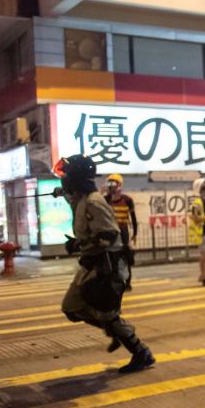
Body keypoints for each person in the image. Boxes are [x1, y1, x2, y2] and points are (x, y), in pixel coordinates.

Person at [55, 154, 154, 373]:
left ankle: (141, 353)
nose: (65, 180)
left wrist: (78, 245)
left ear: (77, 178)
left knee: (109, 315)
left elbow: (108, 235)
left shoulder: (94, 202)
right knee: (71, 308)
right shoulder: (81, 199)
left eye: (67, 176)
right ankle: (115, 331)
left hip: (107, 266)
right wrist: (63, 194)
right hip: (90, 264)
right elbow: (76, 206)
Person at [103, 174, 138, 248]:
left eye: (113, 183)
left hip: (123, 230)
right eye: (109, 183)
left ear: (119, 184)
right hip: (110, 230)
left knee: (125, 251)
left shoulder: (127, 200)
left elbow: (133, 218)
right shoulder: (104, 199)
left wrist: (135, 233)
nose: (110, 186)